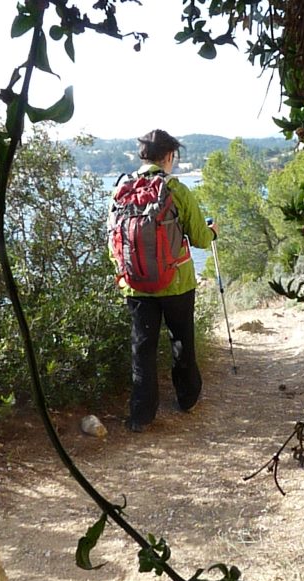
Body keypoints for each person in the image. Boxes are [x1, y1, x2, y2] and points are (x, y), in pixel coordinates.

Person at [112, 129, 217, 433]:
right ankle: (187, 399)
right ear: (169, 155)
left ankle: (141, 415)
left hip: (135, 284)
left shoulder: (121, 189)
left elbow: (113, 239)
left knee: (142, 348)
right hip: (176, 283)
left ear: (142, 155)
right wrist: (212, 232)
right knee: (181, 340)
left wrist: (125, 274)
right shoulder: (176, 189)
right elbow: (200, 238)